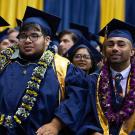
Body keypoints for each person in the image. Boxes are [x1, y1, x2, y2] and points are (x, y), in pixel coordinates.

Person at [0, 6, 101, 135]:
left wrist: (56, 124)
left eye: (34, 36)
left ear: (47, 40)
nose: (28, 40)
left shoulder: (63, 67)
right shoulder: (5, 62)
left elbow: (78, 97)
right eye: (23, 36)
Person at [37, 18, 135, 135]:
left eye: (121, 44)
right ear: (104, 50)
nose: (114, 48)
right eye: (110, 44)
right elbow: (82, 113)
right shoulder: (92, 81)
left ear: (132, 51)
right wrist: (92, 131)